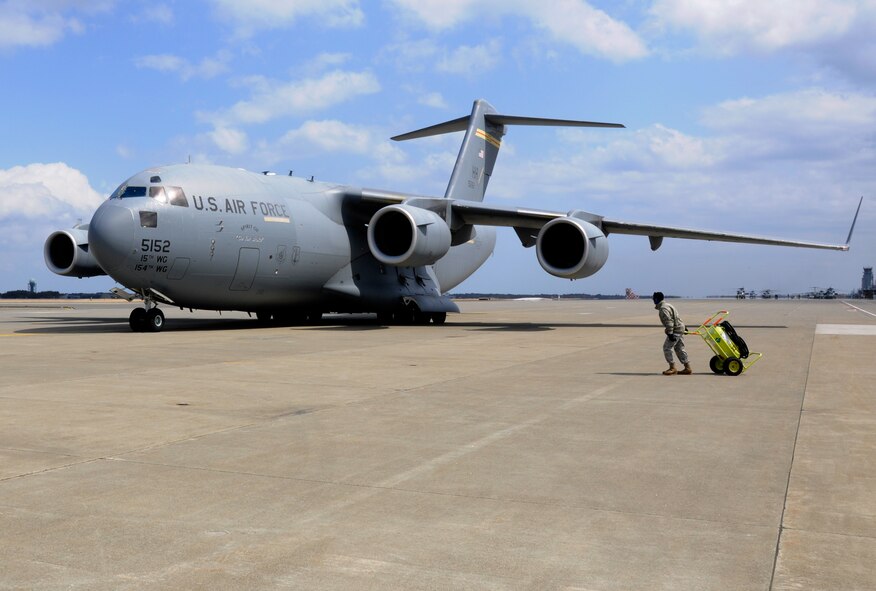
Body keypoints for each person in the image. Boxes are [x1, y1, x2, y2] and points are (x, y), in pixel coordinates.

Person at [652, 291, 692, 375]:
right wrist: (684, 327)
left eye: (653, 298)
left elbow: (669, 322)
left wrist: (670, 334)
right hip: (679, 328)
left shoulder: (663, 309)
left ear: (656, 299)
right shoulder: (669, 305)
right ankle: (687, 367)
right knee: (679, 348)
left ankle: (672, 367)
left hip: (675, 330)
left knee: (667, 348)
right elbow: (677, 317)